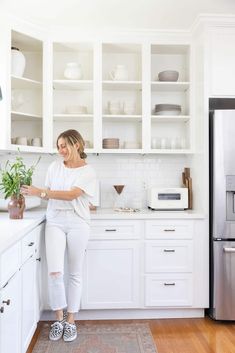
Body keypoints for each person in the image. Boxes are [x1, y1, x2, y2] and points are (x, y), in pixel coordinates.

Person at [21, 129, 97, 343]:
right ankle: (58, 320)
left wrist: (41, 193)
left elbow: (72, 195)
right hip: (54, 221)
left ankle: (71, 321)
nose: (61, 150)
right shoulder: (54, 167)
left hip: (78, 223)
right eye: (59, 146)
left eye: (65, 145)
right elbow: (48, 195)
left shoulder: (88, 171)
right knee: (55, 272)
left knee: (74, 273)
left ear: (77, 145)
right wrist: (35, 196)